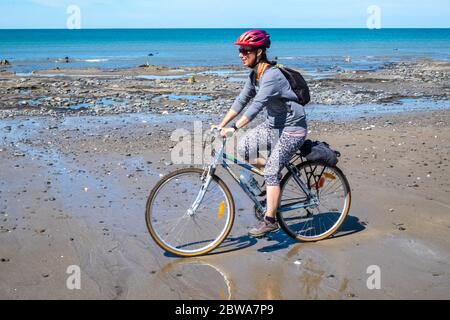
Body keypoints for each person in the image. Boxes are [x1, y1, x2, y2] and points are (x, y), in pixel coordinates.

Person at [211, 29, 308, 237]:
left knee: (271, 170)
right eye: (240, 50)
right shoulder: (255, 75)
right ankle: (275, 173)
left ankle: (271, 220)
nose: (241, 54)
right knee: (244, 148)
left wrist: (234, 128)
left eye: (246, 50)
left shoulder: (272, 76)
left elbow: (256, 106)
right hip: (274, 125)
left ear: (260, 52)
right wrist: (221, 124)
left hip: (293, 128)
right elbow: (241, 101)